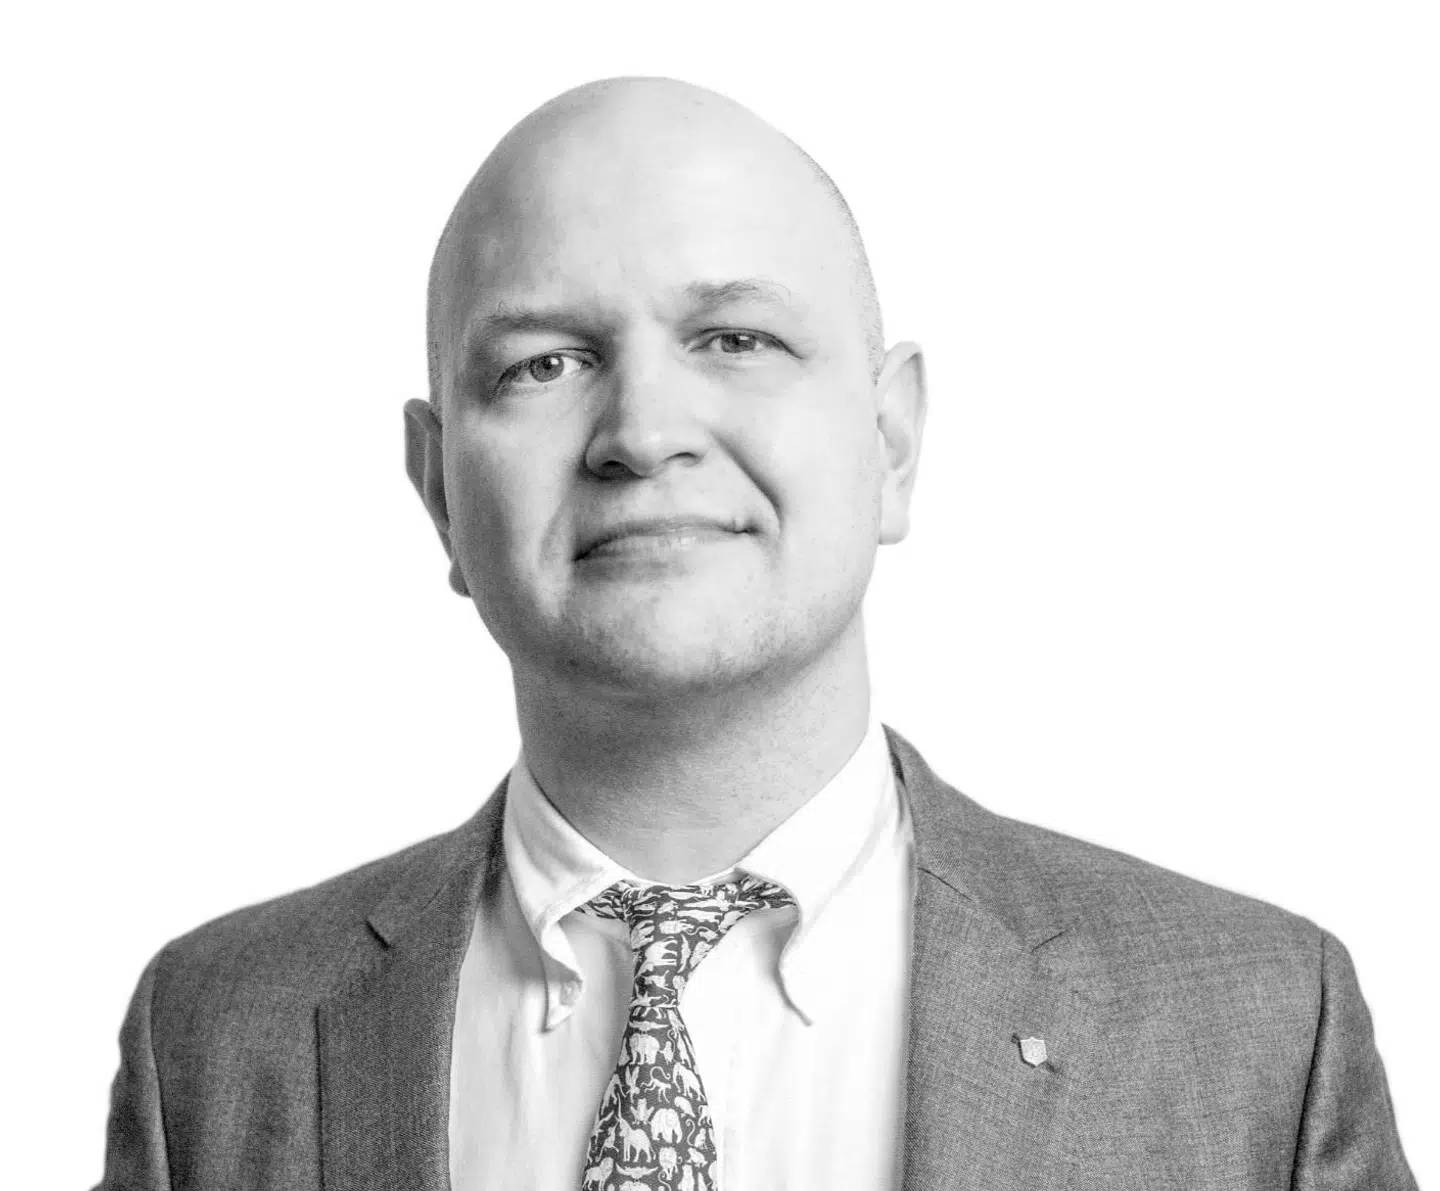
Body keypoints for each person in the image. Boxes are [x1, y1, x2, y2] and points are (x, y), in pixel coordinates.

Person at [95, 77, 1416, 1191]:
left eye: (735, 337)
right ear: (439, 489)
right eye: (544, 362)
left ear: (891, 442)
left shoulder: (1254, 1031)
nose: (643, 432)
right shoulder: (212, 1041)